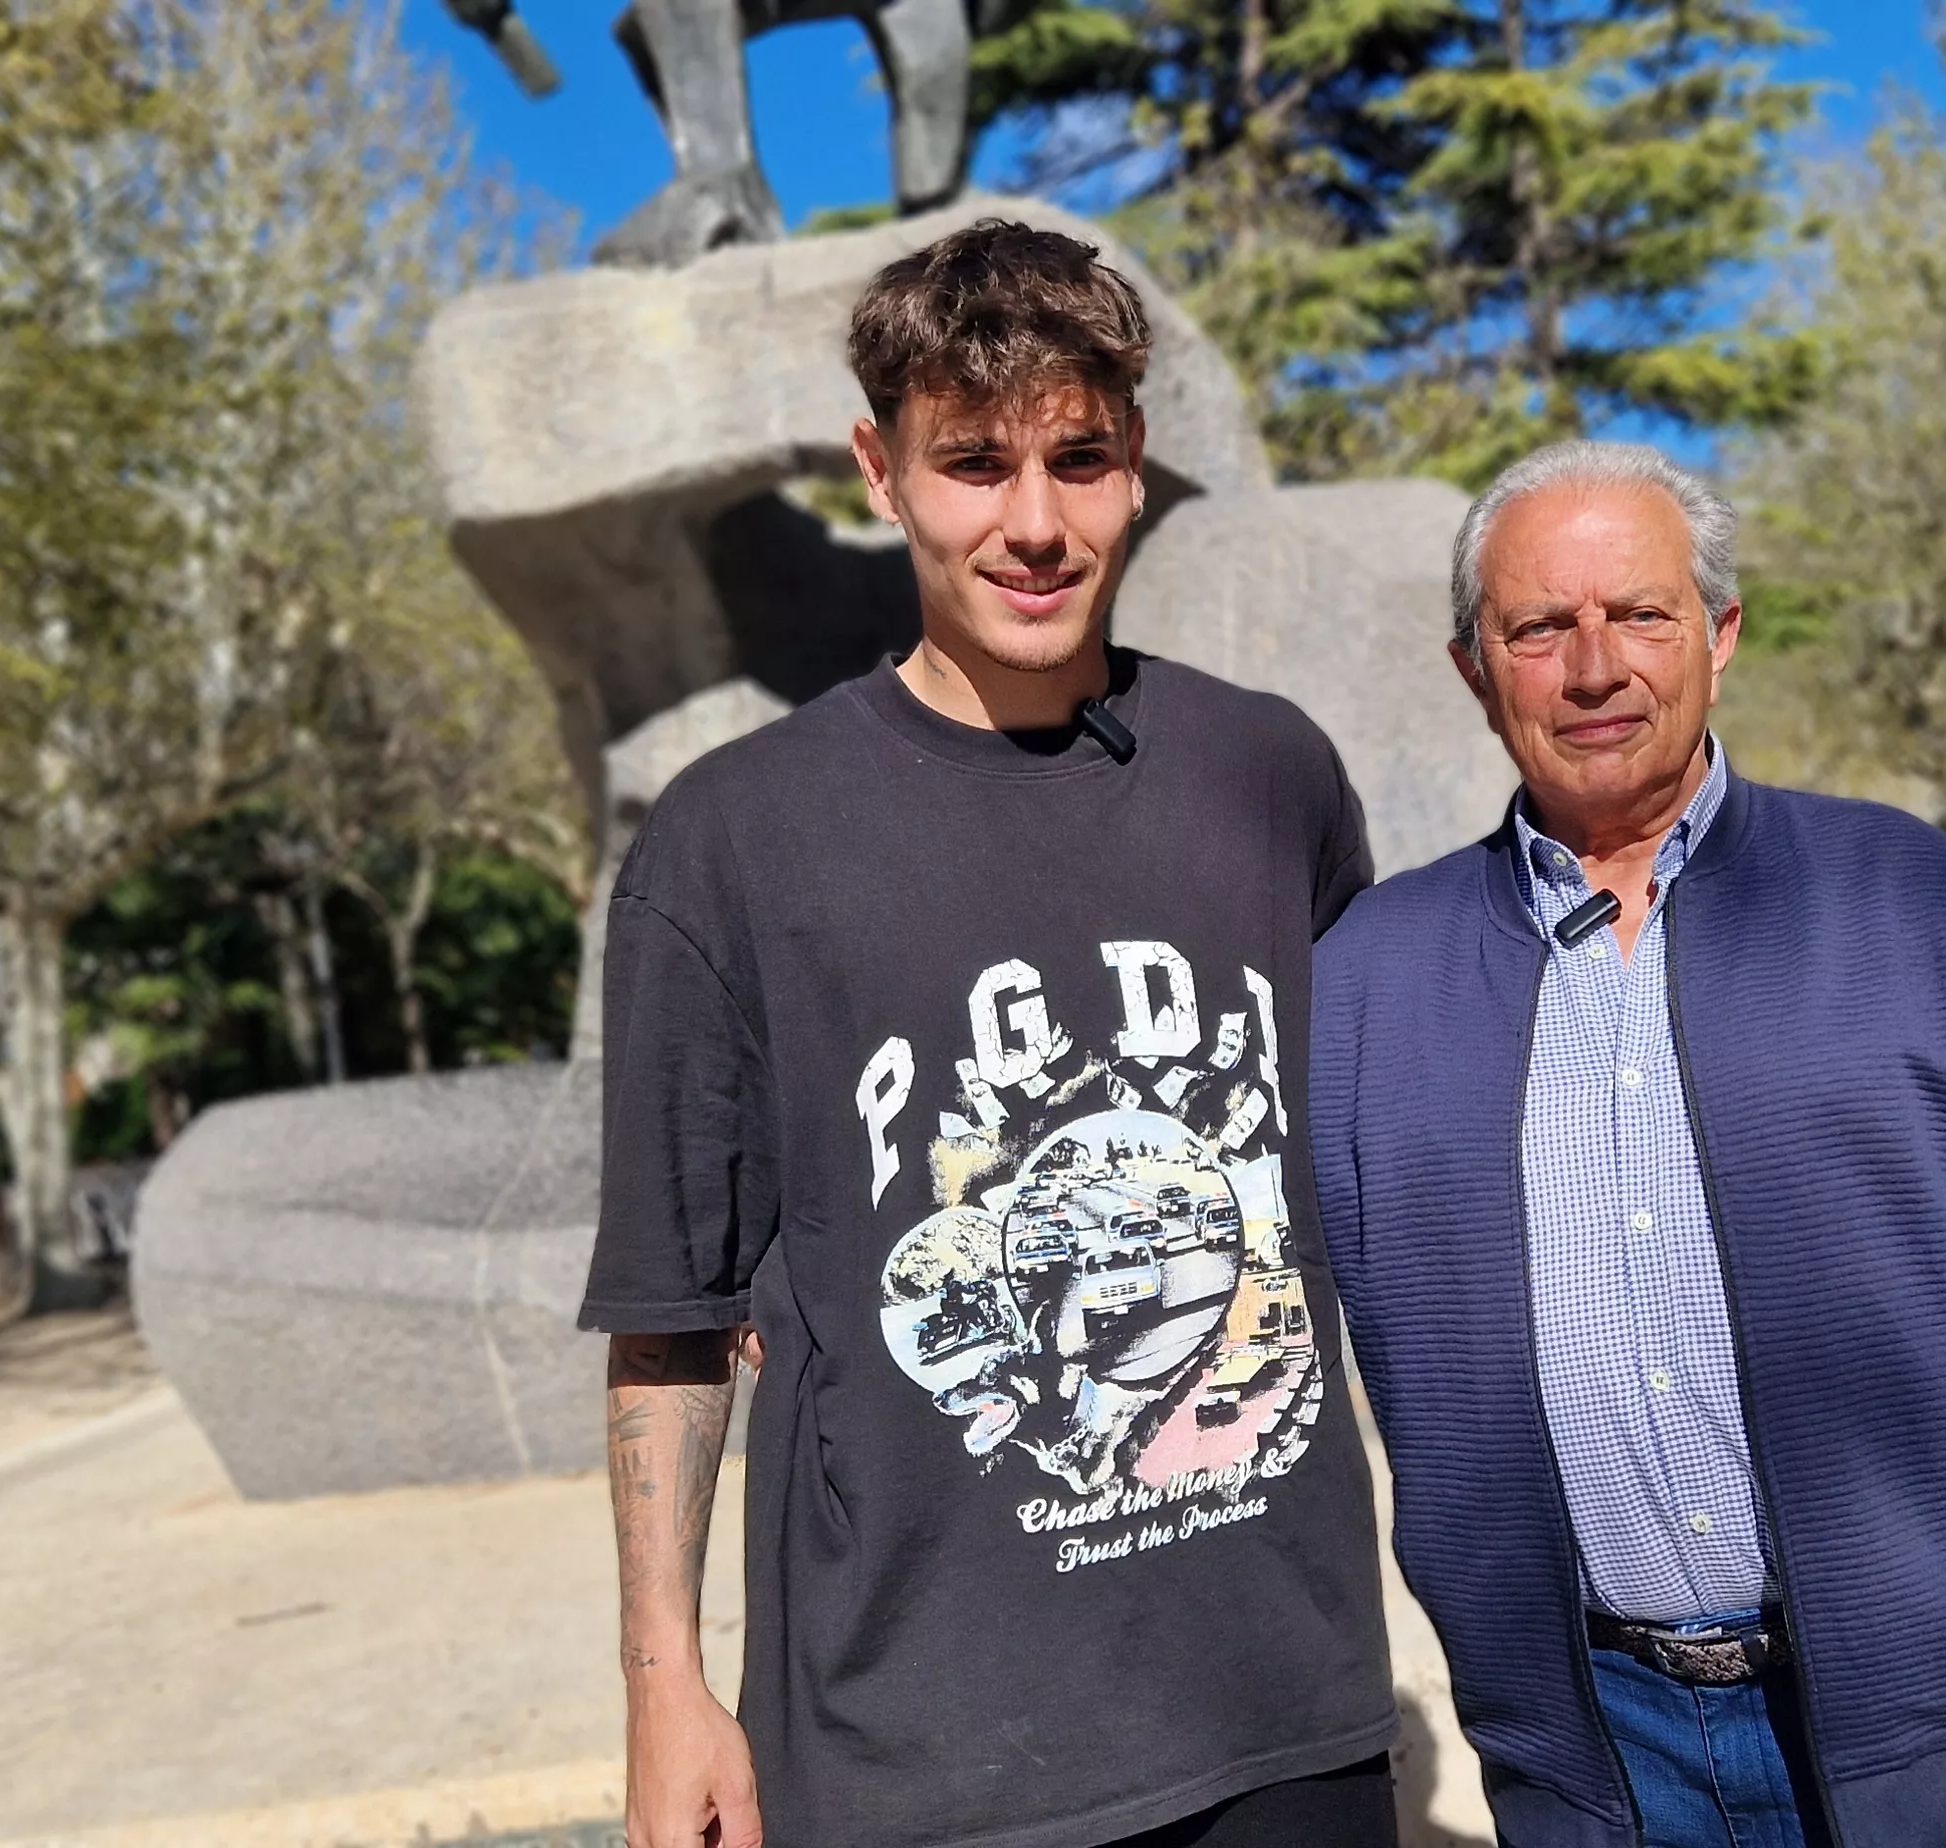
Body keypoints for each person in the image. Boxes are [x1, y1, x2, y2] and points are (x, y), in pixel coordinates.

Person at [1311, 442, 1946, 1848]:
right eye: (1539, 628)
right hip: (1601, 1772)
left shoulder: (1916, 905)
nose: (1594, 669)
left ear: (1721, 634)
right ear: (1475, 668)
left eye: (1641, 614)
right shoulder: (1364, 984)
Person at [582, 220, 1400, 1848]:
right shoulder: (732, 838)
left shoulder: (1268, 775)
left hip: (1280, 1717)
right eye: (973, 464)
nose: (1035, 523)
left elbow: (1370, 1187)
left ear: (1136, 465)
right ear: (879, 474)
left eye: (1078, 460)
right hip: (917, 1764)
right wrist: (666, 1689)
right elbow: (671, 1318)